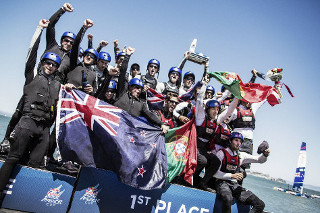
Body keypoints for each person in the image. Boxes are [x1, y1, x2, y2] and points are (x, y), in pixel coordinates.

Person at [0, 20, 61, 206]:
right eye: (47, 63)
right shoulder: (32, 75)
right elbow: (32, 53)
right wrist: (39, 30)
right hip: (27, 122)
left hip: (43, 129)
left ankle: (21, 202)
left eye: (54, 65)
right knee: (13, 158)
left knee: (35, 164)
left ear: (57, 68)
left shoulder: (59, 85)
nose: (50, 66)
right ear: (43, 63)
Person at [214, 132, 269, 213]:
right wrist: (232, 175)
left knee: (260, 205)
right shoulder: (221, 153)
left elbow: (259, 160)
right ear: (230, 141)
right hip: (221, 183)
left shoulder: (241, 155)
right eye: (236, 140)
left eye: (240, 141)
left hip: (235, 185)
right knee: (228, 198)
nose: (238, 143)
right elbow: (215, 174)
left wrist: (265, 154)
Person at [65, 19, 96, 95]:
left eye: (91, 56)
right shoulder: (75, 64)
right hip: (67, 98)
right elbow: (75, 46)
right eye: (86, 55)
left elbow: (96, 94)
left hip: (81, 103)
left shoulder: (94, 74)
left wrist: (92, 91)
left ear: (94, 61)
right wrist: (84, 28)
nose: (88, 57)